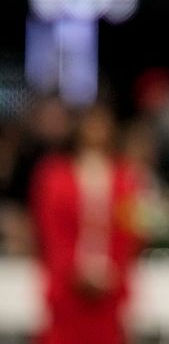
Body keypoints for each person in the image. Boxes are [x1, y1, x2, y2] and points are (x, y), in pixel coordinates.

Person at [29, 101, 144, 344]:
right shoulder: (54, 176)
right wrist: (75, 271)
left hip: (108, 294)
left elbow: (128, 233)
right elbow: (51, 231)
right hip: (68, 291)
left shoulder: (125, 179)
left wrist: (110, 272)